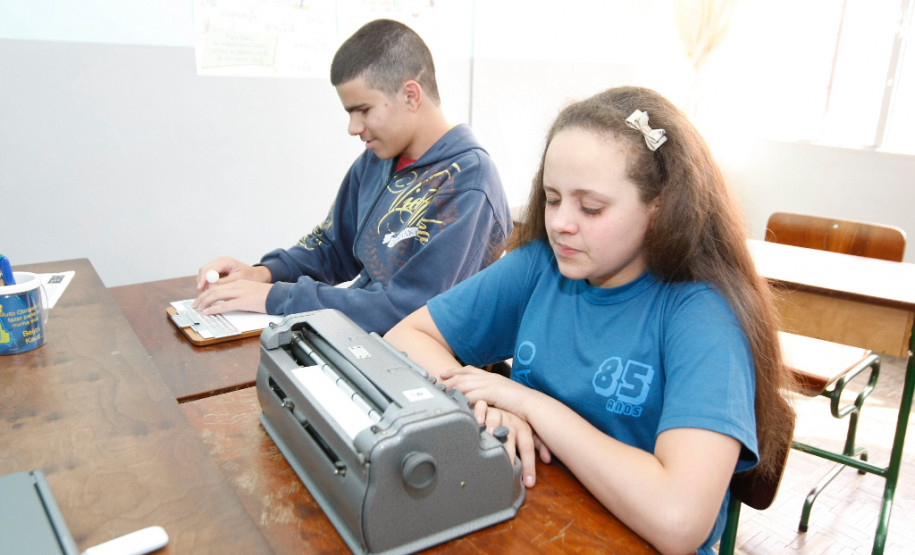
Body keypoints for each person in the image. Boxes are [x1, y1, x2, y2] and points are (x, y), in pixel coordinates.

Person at [384, 86, 795, 553]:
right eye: (553, 198)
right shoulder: (541, 265)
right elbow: (405, 337)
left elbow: (680, 520)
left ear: (659, 207)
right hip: (534, 520)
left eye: (591, 207)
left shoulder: (702, 318)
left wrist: (530, 404)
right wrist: (480, 403)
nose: (560, 222)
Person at [194, 19, 512, 334]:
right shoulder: (376, 161)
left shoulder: (468, 183)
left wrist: (277, 297)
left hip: (425, 366)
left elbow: (407, 311)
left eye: (363, 110)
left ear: (411, 96)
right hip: (368, 344)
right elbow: (333, 246)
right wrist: (264, 274)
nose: (353, 128)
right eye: (349, 113)